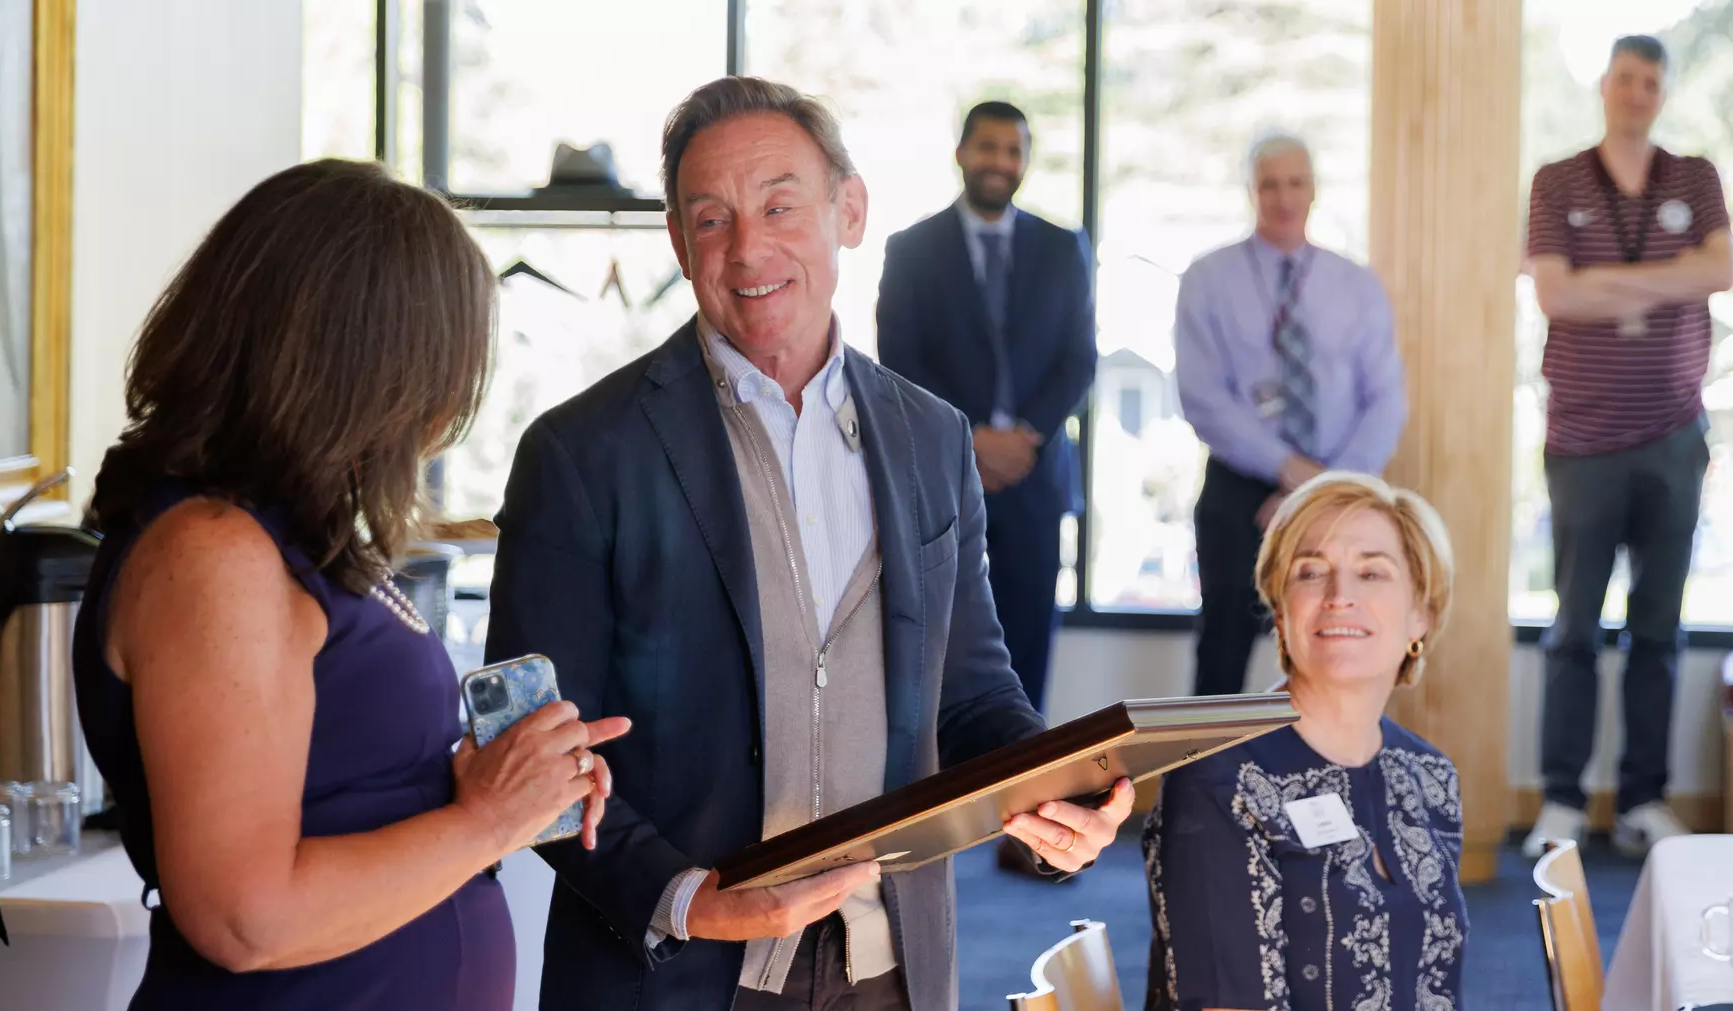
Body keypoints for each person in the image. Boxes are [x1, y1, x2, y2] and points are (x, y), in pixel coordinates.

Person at [485, 77, 1135, 1011]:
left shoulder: (932, 437)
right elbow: (527, 751)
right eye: (711, 219)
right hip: (672, 973)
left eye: (781, 206)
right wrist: (688, 901)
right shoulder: (581, 452)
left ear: (850, 210)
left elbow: (972, 689)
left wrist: (1048, 785)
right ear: (677, 239)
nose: (749, 248)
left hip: (891, 966)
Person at [72, 159, 629, 1010]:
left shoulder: (283, 535)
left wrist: (498, 785)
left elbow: (337, 794)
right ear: (366, 364)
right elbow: (243, 918)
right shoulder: (215, 554)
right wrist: (487, 821)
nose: (439, 416)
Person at [1142, 472, 1467, 1011]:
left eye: (1372, 573)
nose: (1341, 596)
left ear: (1421, 615)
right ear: (1280, 611)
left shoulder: (1429, 775)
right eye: (1311, 572)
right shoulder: (1220, 782)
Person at [1521, 35, 1729, 860]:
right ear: (1603, 87)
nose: (1637, 92)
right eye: (1626, 79)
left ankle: (1643, 798)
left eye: (1652, 82)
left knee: (1660, 627)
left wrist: (1606, 284)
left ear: (1663, 94)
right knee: (1575, 627)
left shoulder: (1696, 176)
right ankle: (1563, 801)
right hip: (1582, 439)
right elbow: (1553, 291)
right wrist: (1668, 273)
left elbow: (1720, 270)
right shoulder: (1558, 179)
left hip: (1675, 437)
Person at [875, 100, 1096, 718]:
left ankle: (1025, 790)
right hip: (944, 474)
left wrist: (1025, 435)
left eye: (1013, 150)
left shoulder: (1063, 247)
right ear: (962, 154)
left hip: (1035, 475)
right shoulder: (911, 249)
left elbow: (1078, 359)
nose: (1000, 162)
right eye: (988, 147)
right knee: (938, 644)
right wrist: (971, 438)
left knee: (1028, 644)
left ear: (1025, 160)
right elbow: (900, 359)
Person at [1174, 133, 1407, 698]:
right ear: (1251, 191)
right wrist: (1287, 470)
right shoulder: (1208, 278)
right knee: (1223, 651)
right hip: (1240, 488)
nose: (1283, 197)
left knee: (1331, 645)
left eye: (1295, 183)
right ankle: (1205, 784)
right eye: (1269, 184)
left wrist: (1321, 487)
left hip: (1339, 489)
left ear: (1314, 190)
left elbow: (1387, 399)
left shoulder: (1356, 285)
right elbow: (1203, 396)